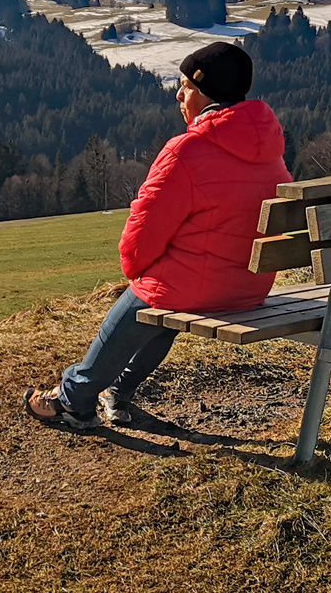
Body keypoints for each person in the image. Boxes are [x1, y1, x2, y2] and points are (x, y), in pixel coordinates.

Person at [24, 41, 290, 428]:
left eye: (185, 87)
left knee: (148, 296)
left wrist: (136, 270)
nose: (179, 96)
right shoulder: (269, 146)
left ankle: (75, 400)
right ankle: (119, 392)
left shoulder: (187, 150)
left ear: (204, 92)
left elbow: (144, 227)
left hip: (204, 287)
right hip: (251, 285)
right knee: (165, 294)